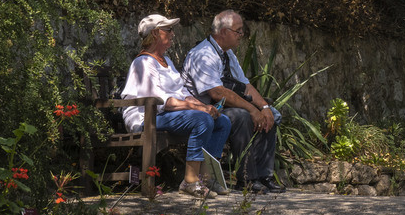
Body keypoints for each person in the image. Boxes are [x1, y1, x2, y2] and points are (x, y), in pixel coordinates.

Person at [121, 14, 231, 198]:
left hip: (165, 115)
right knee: (201, 119)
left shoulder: (167, 61)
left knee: (223, 121)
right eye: (169, 30)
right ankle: (190, 181)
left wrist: (204, 106)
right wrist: (199, 109)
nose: (173, 34)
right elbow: (162, 101)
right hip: (146, 118)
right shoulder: (143, 63)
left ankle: (206, 178)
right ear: (155, 33)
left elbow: (182, 93)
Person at [183, 10, 286, 194]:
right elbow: (217, 92)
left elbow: (245, 84)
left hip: (222, 107)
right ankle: (247, 178)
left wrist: (264, 107)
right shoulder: (203, 54)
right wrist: (252, 109)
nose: (241, 35)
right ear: (224, 32)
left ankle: (264, 175)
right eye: (238, 31)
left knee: (272, 115)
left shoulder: (228, 54)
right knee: (242, 116)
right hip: (205, 110)